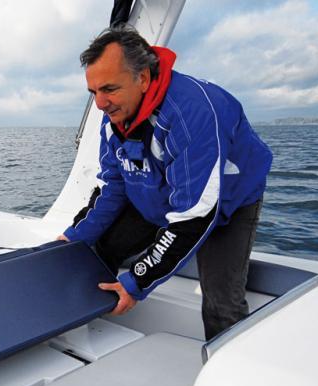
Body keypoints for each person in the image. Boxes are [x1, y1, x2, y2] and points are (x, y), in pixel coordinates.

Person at [60, 27, 272, 340]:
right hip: (157, 192)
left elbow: (194, 216)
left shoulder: (193, 114)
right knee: (100, 248)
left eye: (109, 89)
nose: (100, 104)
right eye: (93, 92)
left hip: (225, 203)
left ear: (142, 78)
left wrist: (137, 281)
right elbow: (114, 186)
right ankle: (77, 321)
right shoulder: (115, 116)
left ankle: (228, 376)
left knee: (221, 304)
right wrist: (75, 237)